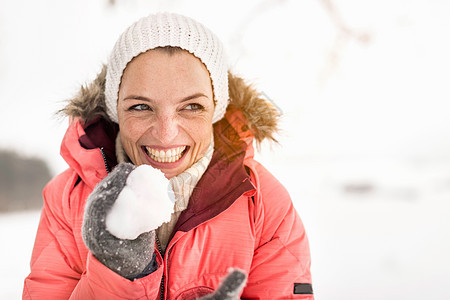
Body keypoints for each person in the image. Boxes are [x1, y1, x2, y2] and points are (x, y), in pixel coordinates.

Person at [23, 12, 313, 299]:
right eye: (140, 107)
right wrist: (115, 275)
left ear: (216, 109)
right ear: (115, 110)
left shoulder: (263, 205)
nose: (165, 134)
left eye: (191, 107)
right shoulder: (68, 200)